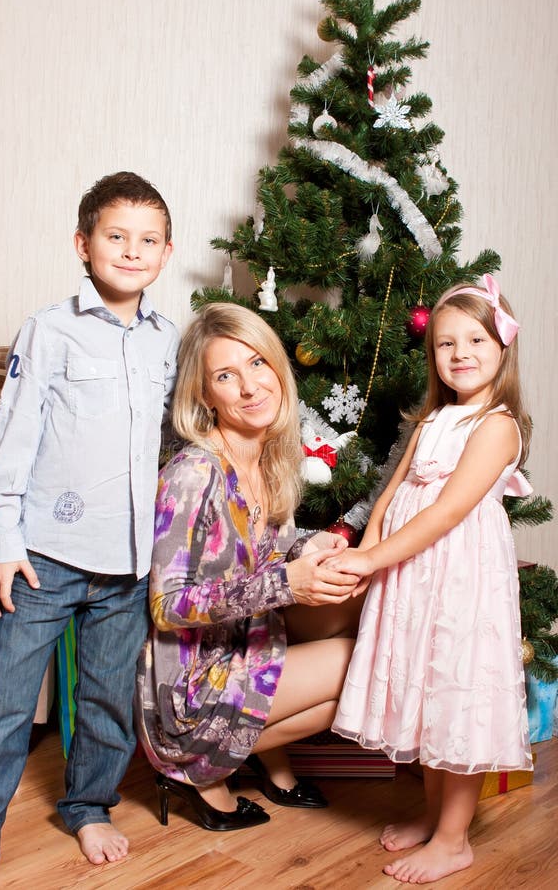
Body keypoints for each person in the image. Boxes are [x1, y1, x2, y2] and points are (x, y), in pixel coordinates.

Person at [0, 171, 179, 882]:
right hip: (43, 559)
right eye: (116, 236)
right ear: (83, 245)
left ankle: (88, 806)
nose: (131, 250)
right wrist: (2, 543)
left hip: (130, 563)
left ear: (167, 253)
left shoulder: (167, 340)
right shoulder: (50, 329)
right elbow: (12, 434)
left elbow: (175, 443)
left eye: (147, 239)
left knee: (108, 698)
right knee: (0, 706)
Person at [330, 274, 533, 884]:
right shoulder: (431, 421)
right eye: (446, 344)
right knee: (426, 689)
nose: (460, 353)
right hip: (413, 574)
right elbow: (392, 493)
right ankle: (433, 815)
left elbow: (448, 512)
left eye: (476, 339)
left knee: (458, 688)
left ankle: (453, 840)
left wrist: (374, 559)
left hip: (460, 575)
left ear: (503, 347)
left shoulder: (496, 425)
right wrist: (363, 554)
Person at [135, 302, 364, 831]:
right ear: (204, 394)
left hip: (245, 647)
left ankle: (252, 758)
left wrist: (312, 544)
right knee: (363, 661)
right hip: (192, 688)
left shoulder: (267, 459)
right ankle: (193, 767)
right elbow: (167, 605)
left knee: (364, 607)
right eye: (225, 375)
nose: (250, 386)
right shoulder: (193, 473)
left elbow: (254, 549)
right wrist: (287, 582)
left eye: (258, 363)